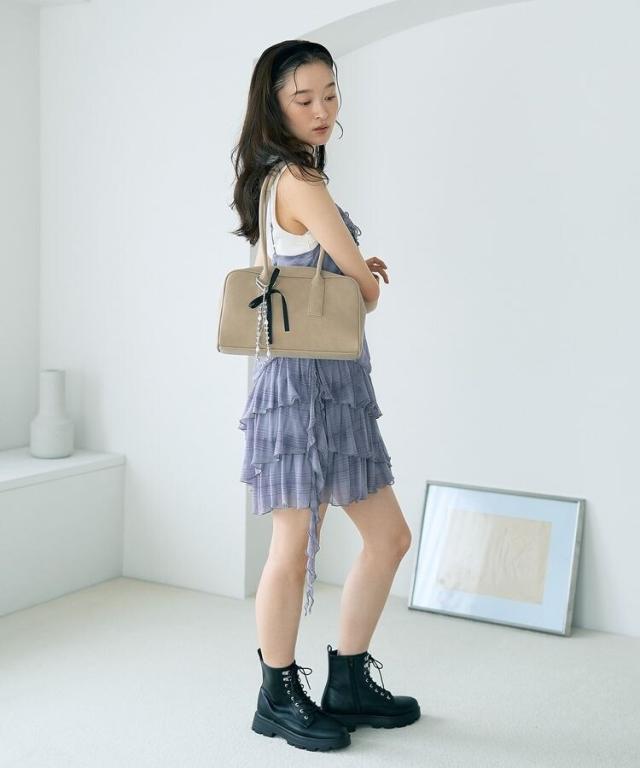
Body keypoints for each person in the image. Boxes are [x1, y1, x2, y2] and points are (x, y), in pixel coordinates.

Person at [230, 39, 420, 751]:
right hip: (304, 385)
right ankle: (276, 695)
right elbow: (364, 294)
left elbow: (306, 270)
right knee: (293, 542)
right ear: (274, 106)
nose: (321, 110)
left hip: (326, 383)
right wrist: (361, 275)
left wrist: (350, 267)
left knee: (387, 536)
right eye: (303, 99)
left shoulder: (273, 178)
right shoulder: (301, 181)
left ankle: (346, 682)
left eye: (330, 94)